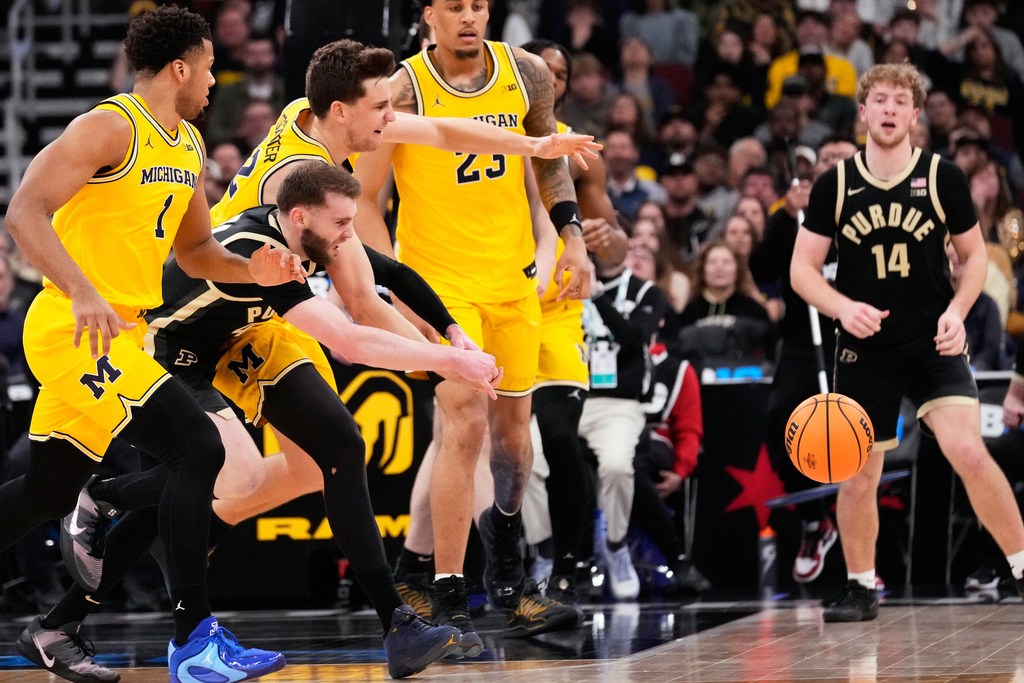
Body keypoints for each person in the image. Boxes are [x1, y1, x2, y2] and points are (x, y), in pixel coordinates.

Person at [32, 162, 505, 681]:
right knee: (231, 477)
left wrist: (452, 329)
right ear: (299, 216)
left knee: (342, 445)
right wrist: (449, 362)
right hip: (169, 352)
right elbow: (348, 341)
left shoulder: (313, 231)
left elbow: (391, 273)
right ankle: (106, 506)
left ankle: (398, 623)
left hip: (239, 339)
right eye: (342, 224)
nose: (349, 235)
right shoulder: (264, 253)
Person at [2, 6, 303, 682]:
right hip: (74, 327)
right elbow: (24, 210)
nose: (213, 83)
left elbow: (196, 253)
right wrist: (81, 288)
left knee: (46, 492)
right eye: (207, 69)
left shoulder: (189, 144)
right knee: (199, 447)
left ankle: (56, 618)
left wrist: (255, 268)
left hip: (123, 332)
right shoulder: (111, 126)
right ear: (180, 67)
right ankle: (194, 642)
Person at [353, 0, 593, 652]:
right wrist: (398, 289)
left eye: (478, 6)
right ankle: (451, 593)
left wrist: (571, 236)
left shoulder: (527, 74)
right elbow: (364, 203)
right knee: (460, 424)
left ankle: (510, 580)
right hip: (441, 288)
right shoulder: (400, 87)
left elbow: (546, 159)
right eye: (454, 6)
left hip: (513, 283)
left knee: (516, 443)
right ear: (427, 12)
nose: (468, 17)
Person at [791, 63, 1024, 622]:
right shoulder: (837, 183)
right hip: (865, 347)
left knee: (968, 451)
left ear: (916, 116)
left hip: (931, 341)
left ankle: (1021, 565)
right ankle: (859, 584)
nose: (890, 109)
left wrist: (959, 312)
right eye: (880, 100)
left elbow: (973, 258)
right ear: (864, 112)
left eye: (901, 101)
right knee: (859, 471)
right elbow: (802, 270)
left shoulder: (942, 177)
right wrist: (843, 307)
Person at [749, 136, 858, 585]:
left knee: (861, 436)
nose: (831, 166)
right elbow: (762, 272)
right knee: (781, 419)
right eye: (824, 159)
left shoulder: (871, 210)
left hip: (864, 339)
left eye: (841, 159)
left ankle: (864, 546)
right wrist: (783, 217)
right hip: (804, 340)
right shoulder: (797, 218)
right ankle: (816, 520)